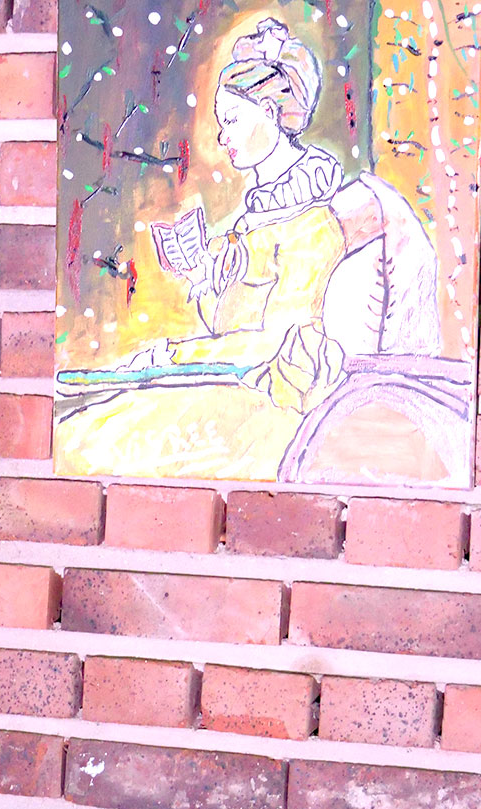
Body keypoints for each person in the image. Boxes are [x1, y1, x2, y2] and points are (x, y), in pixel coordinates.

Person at [56, 17, 356, 480]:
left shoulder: (311, 225)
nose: (222, 136)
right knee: (84, 418)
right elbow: (232, 327)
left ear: (271, 113)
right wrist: (202, 279)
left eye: (232, 120)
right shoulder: (254, 216)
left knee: (93, 441)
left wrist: (172, 355)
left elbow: (276, 346)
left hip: (263, 414)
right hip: (224, 391)